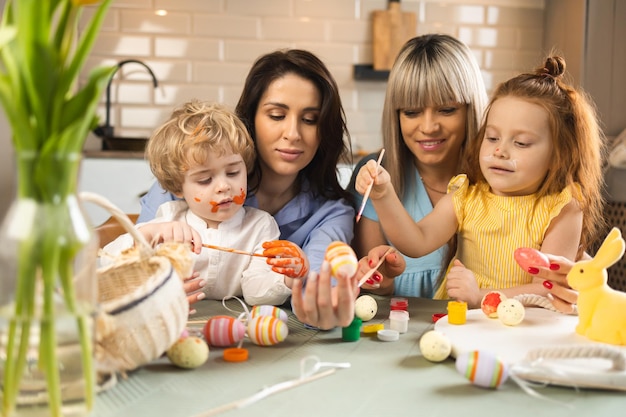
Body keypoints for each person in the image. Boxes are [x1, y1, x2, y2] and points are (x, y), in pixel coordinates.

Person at [138, 49, 395, 328]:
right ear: (250, 119)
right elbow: (128, 267)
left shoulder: (331, 212)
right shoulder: (186, 182)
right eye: (276, 115)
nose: (293, 134)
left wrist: (321, 299)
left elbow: (315, 288)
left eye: (310, 120)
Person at [354, 55, 606, 309]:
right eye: (493, 137)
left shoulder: (562, 208)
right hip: (460, 324)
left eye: (520, 143)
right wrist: (382, 194)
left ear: (558, 155)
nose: (500, 151)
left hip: (522, 326)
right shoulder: (466, 196)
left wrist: (481, 295)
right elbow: (416, 241)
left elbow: (550, 289)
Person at [102, 101, 310, 307]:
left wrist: (287, 279)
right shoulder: (168, 219)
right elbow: (108, 262)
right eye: (204, 179)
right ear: (178, 188)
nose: (223, 186)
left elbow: (256, 292)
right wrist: (148, 234)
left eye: (233, 172)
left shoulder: (260, 226)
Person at [348, 34, 488, 298]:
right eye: (411, 112)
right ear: (395, 115)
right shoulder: (374, 174)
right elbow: (375, 294)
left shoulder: (498, 181)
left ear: (471, 109)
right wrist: (382, 279)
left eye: (446, 110)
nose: (428, 127)